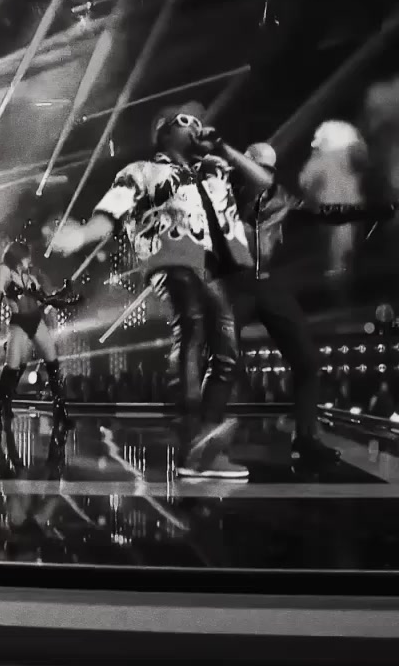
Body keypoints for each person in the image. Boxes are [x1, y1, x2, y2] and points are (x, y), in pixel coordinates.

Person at [51, 101, 272, 479]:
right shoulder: (142, 171)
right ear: (164, 131)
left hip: (211, 267)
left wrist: (221, 146)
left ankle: (205, 444)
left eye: (199, 123)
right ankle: (189, 433)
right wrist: (82, 235)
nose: (196, 126)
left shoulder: (214, 169)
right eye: (187, 122)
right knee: (192, 327)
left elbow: (263, 182)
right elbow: (112, 212)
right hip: (170, 258)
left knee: (227, 353)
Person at [237, 142, 398, 467]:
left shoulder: (281, 198)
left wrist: (370, 211)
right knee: (215, 361)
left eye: (269, 170)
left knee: (308, 361)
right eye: (259, 168)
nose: (264, 175)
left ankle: (306, 438)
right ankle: (197, 437)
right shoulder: (221, 197)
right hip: (232, 286)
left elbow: (326, 212)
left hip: (267, 286)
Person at [0, 242, 82, 477]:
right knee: (12, 367)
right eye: (26, 256)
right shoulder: (4, 271)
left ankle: (60, 412)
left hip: (35, 320)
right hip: (19, 322)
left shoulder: (29, 277)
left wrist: (67, 298)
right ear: (18, 256)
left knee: (53, 361)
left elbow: (46, 300)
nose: (30, 260)